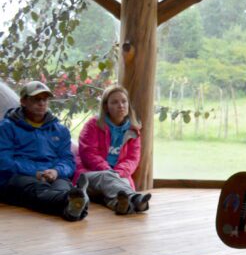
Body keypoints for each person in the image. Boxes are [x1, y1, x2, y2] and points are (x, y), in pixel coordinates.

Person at [0, 81, 88, 221]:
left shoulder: (60, 130)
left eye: (45, 99)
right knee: (37, 189)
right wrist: (35, 172)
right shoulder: (6, 127)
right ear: (23, 101)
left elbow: (67, 160)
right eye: (36, 99)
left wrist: (56, 171)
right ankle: (76, 201)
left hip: (53, 176)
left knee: (61, 187)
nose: (42, 103)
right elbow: (4, 162)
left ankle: (71, 209)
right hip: (19, 177)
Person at [74, 84, 151, 215]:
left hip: (117, 176)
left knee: (120, 186)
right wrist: (108, 170)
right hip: (90, 175)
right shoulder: (93, 125)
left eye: (124, 101)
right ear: (106, 106)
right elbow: (88, 153)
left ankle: (122, 206)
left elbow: (132, 159)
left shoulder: (133, 130)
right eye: (114, 102)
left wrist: (118, 173)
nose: (121, 105)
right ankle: (136, 199)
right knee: (107, 178)